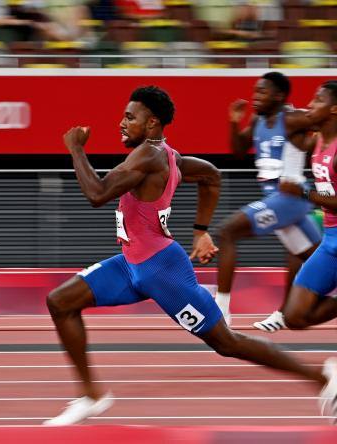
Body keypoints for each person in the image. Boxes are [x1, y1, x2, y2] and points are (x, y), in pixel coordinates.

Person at [43, 85, 337, 425]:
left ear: (152, 122)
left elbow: (97, 194)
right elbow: (211, 176)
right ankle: (91, 396)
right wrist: (200, 230)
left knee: (227, 343)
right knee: (61, 301)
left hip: (161, 271)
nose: (121, 124)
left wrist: (76, 150)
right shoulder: (169, 155)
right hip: (131, 264)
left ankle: (321, 377)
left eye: (129, 117)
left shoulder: (149, 156)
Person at [216, 72, 321, 332]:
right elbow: (238, 151)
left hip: (289, 197)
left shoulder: (292, 118)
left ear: (279, 96)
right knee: (310, 255)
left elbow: (324, 116)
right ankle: (285, 313)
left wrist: (316, 139)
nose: (255, 98)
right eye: (255, 92)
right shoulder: (257, 120)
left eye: (261, 93)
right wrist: (233, 122)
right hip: (275, 199)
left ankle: (220, 311)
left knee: (226, 231)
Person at [273, 81, 337, 332]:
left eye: (318, 100)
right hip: (330, 241)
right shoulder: (318, 140)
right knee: (294, 317)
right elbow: (292, 131)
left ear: (334, 109)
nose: (311, 104)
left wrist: (303, 192)